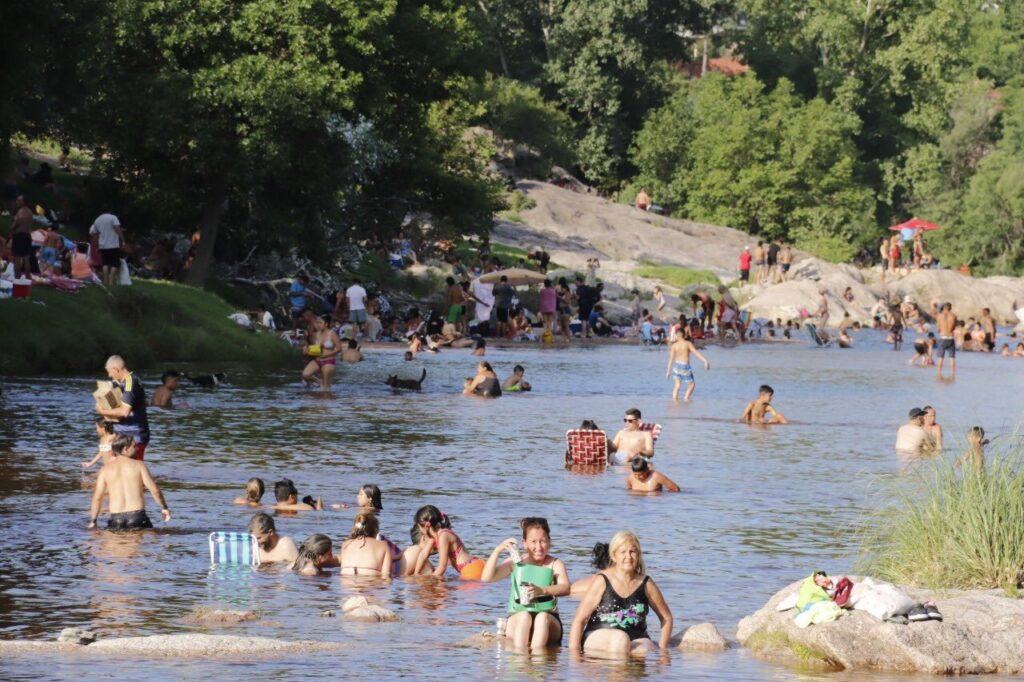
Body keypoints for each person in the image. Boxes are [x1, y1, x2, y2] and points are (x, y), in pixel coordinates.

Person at [568, 531, 673, 658]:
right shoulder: (602, 580)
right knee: (621, 639)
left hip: (637, 638)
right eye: (623, 552)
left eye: (632, 552)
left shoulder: (647, 583)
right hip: (598, 637)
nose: (628, 556)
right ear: (614, 556)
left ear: (638, 555)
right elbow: (580, 619)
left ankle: (628, 668)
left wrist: (663, 651)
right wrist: (574, 655)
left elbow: (666, 618)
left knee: (648, 649)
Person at [481, 518, 570, 651]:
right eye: (533, 542)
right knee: (524, 616)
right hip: (518, 618)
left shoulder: (555, 564)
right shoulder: (516, 562)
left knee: (542, 617)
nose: (538, 547)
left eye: (543, 541)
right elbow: (487, 578)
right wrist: (497, 551)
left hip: (549, 621)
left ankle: (539, 660)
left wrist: (542, 590)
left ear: (549, 542)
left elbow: (565, 587)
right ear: (524, 543)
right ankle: (520, 659)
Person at [88, 435, 171, 530]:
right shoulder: (139, 465)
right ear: (126, 449)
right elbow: (154, 490)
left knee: (112, 539)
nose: (137, 448)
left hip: (116, 519)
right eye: (134, 446)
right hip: (137, 517)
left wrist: (93, 521)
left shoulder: (105, 469)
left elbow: (97, 498)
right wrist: (164, 507)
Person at [96, 355, 151, 461]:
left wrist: (103, 411)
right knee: (116, 467)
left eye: (109, 372)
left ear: (116, 369)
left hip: (134, 436)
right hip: (122, 434)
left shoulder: (130, 382)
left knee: (134, 468)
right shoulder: (122, 382)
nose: (109, 375)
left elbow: (125, 412)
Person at [412, 505, 485, 579]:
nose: (420, 530)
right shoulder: (434, 536)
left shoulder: (443, 536)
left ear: (426, 526)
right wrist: (416, 574)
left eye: (419, 527)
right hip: (469, 567)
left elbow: (442, 567)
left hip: (472, 568)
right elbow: (423, 554)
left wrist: (430, 579)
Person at [339, 512, 392, 577]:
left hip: (346, 581)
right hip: (370, 581)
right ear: (375, 529)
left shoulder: (345, 544)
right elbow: (386, 575)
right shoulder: (383, 545)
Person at [666, 328, 710, 402]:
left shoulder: (674, 345)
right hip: (684, 366)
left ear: (676, 335)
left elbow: (671, 359)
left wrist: (668, 372)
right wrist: (705, 360)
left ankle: (675, 402)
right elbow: (696, 353)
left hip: (677, 366)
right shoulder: (687, 343)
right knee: (692, 385)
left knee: (677, 385)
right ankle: (686, 398)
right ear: (684, 335)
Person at [302, 316, 341, 391]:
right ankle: (319, 382)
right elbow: (316, 348)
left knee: (326, 388)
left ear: (326, 324)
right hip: (318, 360)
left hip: (328, 361)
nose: (318, 325)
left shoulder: (332, 334)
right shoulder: (316, 334)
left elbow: (339, 348)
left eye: (320, 323)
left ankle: (327, 397)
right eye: (317, 323)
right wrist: (307, 350)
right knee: (306, 374)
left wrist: (328, 354)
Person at [89, 210, 125, 286]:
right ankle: (111, 281)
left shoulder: (97, 219)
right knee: (115, 263)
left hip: (102, 245)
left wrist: (98, 243)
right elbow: (117, 228)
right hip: (113, 245)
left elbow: (93, 232)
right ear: (109, 212)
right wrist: (122, 239)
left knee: (105, 263)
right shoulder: (113, 217)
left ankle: (105, 280)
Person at [9, 195, 34, 278]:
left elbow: (19, 220)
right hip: (27, 235)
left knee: (17, 257)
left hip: (19, 235)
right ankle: (27, 276)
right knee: (26, 257)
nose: (17, 202)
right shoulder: (30, 212)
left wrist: (12, 228)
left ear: (23, 202)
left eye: (18, 200)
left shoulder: (21, 211)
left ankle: (16, 276)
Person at [935, 302, 957, 379]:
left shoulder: (939, 316)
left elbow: (938, 329)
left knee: (940, 357)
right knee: (952, 357)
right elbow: (954, 327)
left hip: (942, 337)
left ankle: (939, 374)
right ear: (950, 308)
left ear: (944, 308)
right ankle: (953, 375)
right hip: (950, 338)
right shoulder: (954, 316)